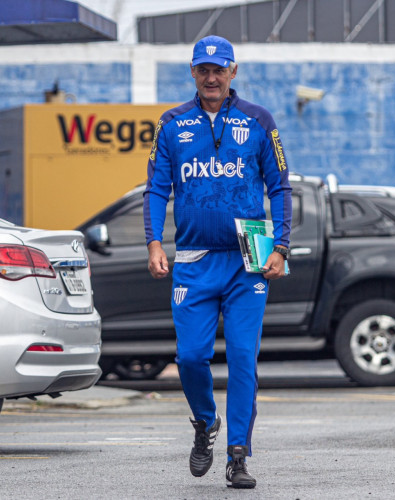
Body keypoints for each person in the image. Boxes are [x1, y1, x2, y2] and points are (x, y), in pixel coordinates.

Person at [143, 35, 292, 489]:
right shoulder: (171, 123)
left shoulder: (259, 121)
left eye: (219, 69)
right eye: (203, 69)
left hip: (250, 256)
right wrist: (153, 242)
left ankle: (238, 456)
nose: (211, 77)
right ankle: (206, 423)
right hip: (193, 258)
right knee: (190, 357)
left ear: (233, 72)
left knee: (244, 358)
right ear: (193, 72)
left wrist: (281, 247)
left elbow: (280, 187)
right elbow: (155, 189)